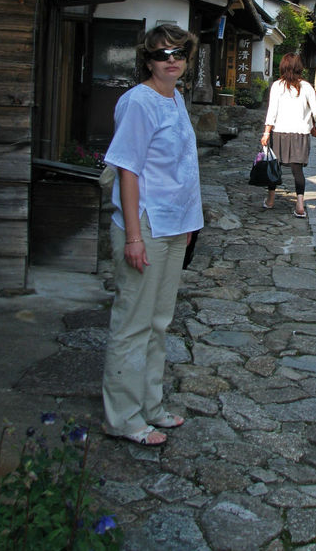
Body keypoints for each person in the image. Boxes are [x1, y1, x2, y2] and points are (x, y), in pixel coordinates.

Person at [102, 25, 203, 446]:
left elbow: (181, 167)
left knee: (158, 323)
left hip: (175, 224)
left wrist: (192, 223)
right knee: (133, 324)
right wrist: (132, 237)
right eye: (163, 54)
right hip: (144, 225)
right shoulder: (139, 102)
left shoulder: (175, 97)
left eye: (179, 53)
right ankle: (123, 418)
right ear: (148, 60)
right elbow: (128, 169)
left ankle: (150, 406)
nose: (172, 60)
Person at [261, 52, 316, 217]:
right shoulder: (307, 87)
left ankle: (271, 200)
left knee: (275, 167)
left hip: (279, 132)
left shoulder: (277, 86)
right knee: (297, 171)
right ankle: (300, 205)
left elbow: (271, 111)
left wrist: (266, 132)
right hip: (300, 134)